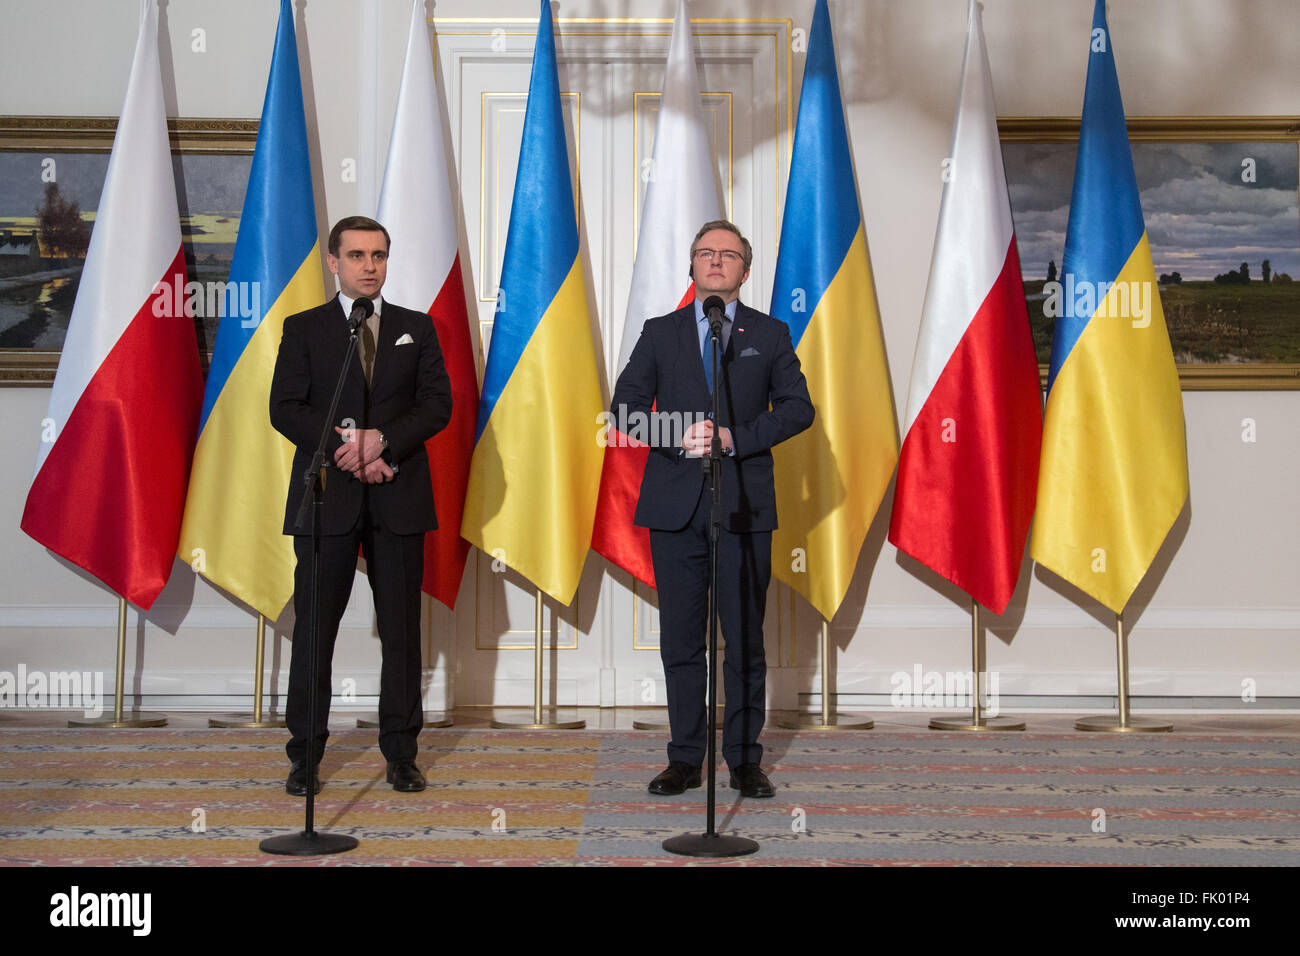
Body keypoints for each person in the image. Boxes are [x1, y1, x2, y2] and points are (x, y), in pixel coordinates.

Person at [611, 220, 814, 798]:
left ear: (745, 271)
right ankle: (683, 758)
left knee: (745, 639)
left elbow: (799, 410)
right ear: (692, 266)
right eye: (705, 253)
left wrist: (734, 438)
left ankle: (745, 760)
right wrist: (679, 433)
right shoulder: (660, 332)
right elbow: (624, 409)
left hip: (745, 509)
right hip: (676, 510)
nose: (716, 262)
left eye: (728, 255)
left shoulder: (769, 334)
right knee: (681, 640)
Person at [270, 216, 451, 795]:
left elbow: (436, 406)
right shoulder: (304, 329)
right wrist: (349, 444)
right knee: (314, 631)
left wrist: (383, 442)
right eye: (356, 256)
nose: (369, 266)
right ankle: (306, 756)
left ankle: (401, 754)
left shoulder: (416, 328)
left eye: (377, 255)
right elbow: (285, 407)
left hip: (398, 494)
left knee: (400, 633)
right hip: (329, 496)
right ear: (334, 262)